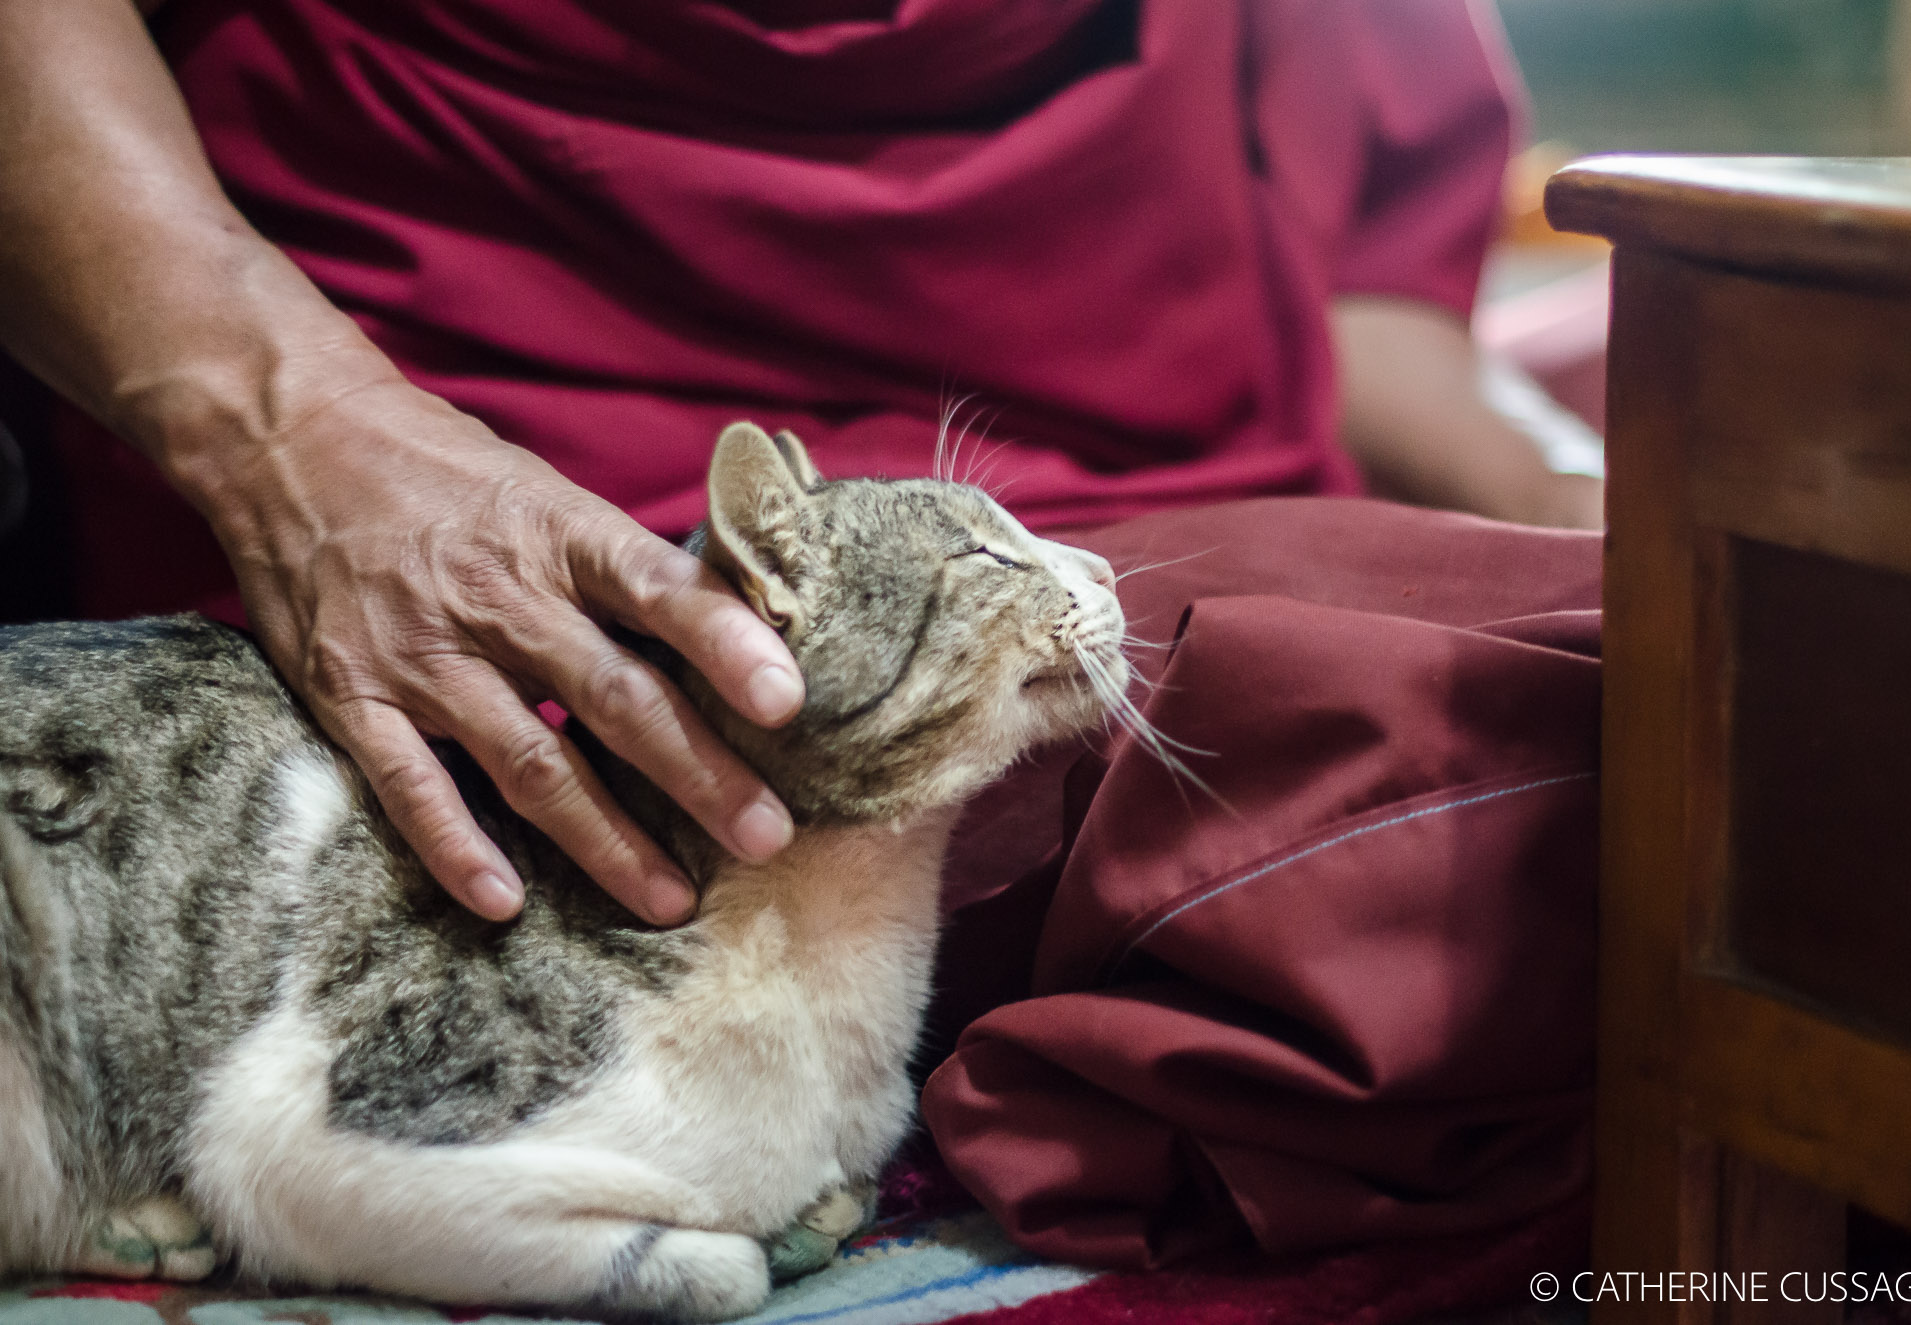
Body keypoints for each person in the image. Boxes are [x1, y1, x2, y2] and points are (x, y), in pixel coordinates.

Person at [0, 0, 1603, 1272]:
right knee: (1567, 713)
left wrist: (1587, 489)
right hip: (545, 521)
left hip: (1117, 502)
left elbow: (1379, 298)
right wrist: (300, 438)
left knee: (1780, 497)